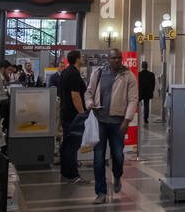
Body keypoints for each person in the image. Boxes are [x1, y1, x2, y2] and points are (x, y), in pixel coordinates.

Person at [84, 47, 138, 203]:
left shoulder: (128, 76)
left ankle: (117, 175)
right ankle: (100, 192)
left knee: (118, 156)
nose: (116, 60)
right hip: (100, 121)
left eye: (119, 58)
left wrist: (127, 120)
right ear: (108, 59)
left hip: (118, 123)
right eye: (113, 58)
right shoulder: (98, 73)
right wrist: (89, 103)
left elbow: (133, 99)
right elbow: (89, 92)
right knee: (98, 158)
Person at [57, 49, 87, 183]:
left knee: (66, 144)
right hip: (73, 115)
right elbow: (75, 96)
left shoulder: (65, 72)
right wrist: (82, 113)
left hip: (66, 112)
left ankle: (65, 172)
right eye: (82, 56)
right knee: (73, 145)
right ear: (77, 59)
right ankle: (73, 175)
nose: (84, 58)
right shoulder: (74, 74)